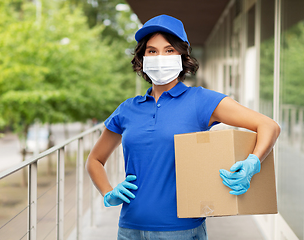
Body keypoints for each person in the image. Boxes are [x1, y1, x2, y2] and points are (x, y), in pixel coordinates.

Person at [86, 14, 280, 240]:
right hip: (130, 229)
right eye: (152, 51)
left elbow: (268, 126)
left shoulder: (200, 100)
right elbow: (95, 160)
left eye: (169, 50)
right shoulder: (128, 109)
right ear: (142, 58)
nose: (160, 57)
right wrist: (108, 192)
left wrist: (253, 162)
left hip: (182, 230)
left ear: (182, 56)